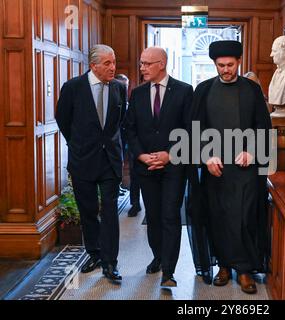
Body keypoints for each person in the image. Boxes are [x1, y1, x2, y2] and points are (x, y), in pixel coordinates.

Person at [187, 40, 272, 294]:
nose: (226, 70)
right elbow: (195, 129)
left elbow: (263, 127)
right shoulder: (203, 90)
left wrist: (251, 151)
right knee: (218, 217)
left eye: (230, 65)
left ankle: (244, 269)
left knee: (244, 218)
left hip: (245, 169)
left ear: (238, 62)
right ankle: (223, 266)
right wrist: (206, 157)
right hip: (216, 169)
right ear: (214, 64)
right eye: (221, 65)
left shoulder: (252, 90)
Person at [56, 44, 127, 282]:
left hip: (110, 160)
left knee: (110, 212)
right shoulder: (73, 88)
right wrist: (79, 144)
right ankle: (94, 254)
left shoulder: (119, 88)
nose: (112, 67)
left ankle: (110, 263)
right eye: (107, 63)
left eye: (114, 62)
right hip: (83, 160)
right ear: (93, 65)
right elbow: (63, 120)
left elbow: (119, 122)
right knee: (88, 211)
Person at [124, 47, 193, 287]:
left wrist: (169, 155)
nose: (141, 68)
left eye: (146, 63)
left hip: (174, 167)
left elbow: (191, 131)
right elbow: (130, 129)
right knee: (152, 216)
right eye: (141, 63)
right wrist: (142, 155)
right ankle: (158, 256)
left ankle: (169, 271)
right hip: (146, 167)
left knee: (170, 216)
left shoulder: (184, 91)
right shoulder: (138, 93)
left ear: (161, 64)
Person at [114, 74, 132, 198]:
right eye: (123, 85)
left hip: (126, 138)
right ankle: (116, 187)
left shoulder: (127, 100)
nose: (125, 88)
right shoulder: (114, 98)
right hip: (116, 137)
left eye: (126, 85)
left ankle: (119, 186)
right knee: (117, 162)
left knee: (123, 163)